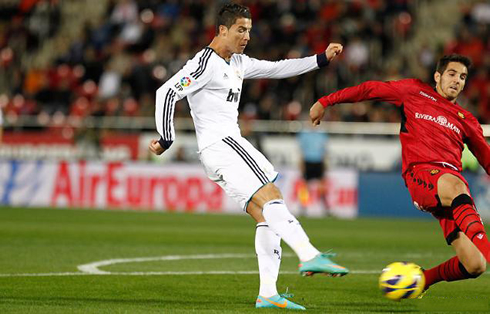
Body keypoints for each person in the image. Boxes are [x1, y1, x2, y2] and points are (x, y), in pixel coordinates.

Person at [149, 3, 348, 310]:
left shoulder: (238, 62)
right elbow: (167, 92)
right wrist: (166, 137)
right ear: (222, 30)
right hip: (223, 144)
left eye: (249, 30)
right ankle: (310, 255)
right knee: (272, 195)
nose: (246, 36)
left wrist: (320, 60)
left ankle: (268, 294)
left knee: (264, 215)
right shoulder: (205, 62)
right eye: (240, 30)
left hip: (220, 151)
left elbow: (277, 68)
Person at [310, 54, 490, 295]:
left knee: (475, 264)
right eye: (452, 73)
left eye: (463, 77)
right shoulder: (414, 91)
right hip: (421, 175)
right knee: (457, 185)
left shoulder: (467, 120)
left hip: (450, 192)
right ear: (437, 76)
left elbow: (486, 159)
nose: (457, 80)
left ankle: (422, 280)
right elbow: (370, 89)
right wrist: (326, 101)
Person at [296, 124, 329, 215]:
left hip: (318, 161)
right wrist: (301, 163)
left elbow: (324, 150)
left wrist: (325, 163)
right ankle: (303, 207)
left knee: (321, 186)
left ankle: (325, 208)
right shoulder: (304, 134)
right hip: (308, 161)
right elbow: (301, 150)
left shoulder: (322, 134)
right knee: (305, 186)